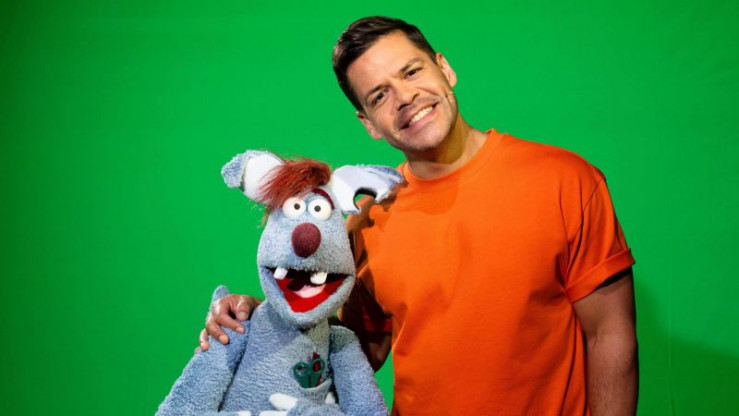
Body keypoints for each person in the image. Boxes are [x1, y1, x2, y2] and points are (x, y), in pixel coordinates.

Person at [198, 16, 638, 416]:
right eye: (380, 95)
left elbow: (610, 334)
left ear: (444, 68)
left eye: (411, 72)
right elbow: (346, 353)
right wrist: (263, 320)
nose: (405, 97)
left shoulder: (564, 180)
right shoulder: (366, 222)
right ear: (369, 123)